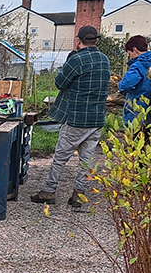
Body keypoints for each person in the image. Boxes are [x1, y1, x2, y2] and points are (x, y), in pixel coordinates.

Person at [31, 25, 110, 207]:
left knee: (60, 157)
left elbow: (60, 83)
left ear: (78, 40)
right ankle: (78, 195)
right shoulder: (105, 60)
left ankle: (48, 191)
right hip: (97, 118)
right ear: (96, 40)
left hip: (76, 117)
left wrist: (67, 64)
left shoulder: (77, 60)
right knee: (86, 160)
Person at [119, 35, 151, 125]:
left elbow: (126, 84)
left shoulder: (139, 65)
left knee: (135, 136)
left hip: (136, 111)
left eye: (129, 53)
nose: (130, 57)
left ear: (135, 49)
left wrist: (119, 86)